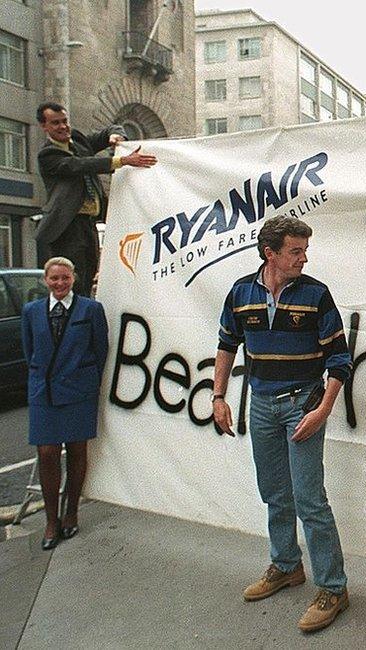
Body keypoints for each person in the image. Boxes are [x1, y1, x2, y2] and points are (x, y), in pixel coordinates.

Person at [213, 215, 352, 633]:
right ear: (269, 253)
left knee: (310, 499)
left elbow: (340, 360)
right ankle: (287, 565)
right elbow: (226, 344)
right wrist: (218, 397)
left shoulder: (316, 295)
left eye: (305, 250)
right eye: (296, 250)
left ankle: (333, 588)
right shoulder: (241, 293)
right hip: (261, 406)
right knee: (275, 492)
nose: (304, 258)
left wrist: (323, 410)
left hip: (302, 406)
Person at [20, 257, 109, 550]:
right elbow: (29, 349)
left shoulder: (90, 309)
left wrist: (87, 382)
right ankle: (50, 520)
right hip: (44, 392)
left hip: (78, 391)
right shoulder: (32, 311)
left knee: (76, 451)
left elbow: (100, 349)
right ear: (46, 280)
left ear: (74, 279)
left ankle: (71, 513)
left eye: (65, 278)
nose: (59, 284)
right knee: (46, 453)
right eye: (54, 279)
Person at [35, 101, 157, 297]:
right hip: (67, 227)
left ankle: (83, 317)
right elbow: (80, 165)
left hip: (89, 224)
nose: (63, 127)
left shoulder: (77, 140)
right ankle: (71, 320)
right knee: (74, 279)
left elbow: (110, 129)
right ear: (44, 126)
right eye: (56, 123)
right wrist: (123, 161)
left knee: (90, 272)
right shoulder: (47, 154)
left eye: (65, 121)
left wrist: (116, 136)